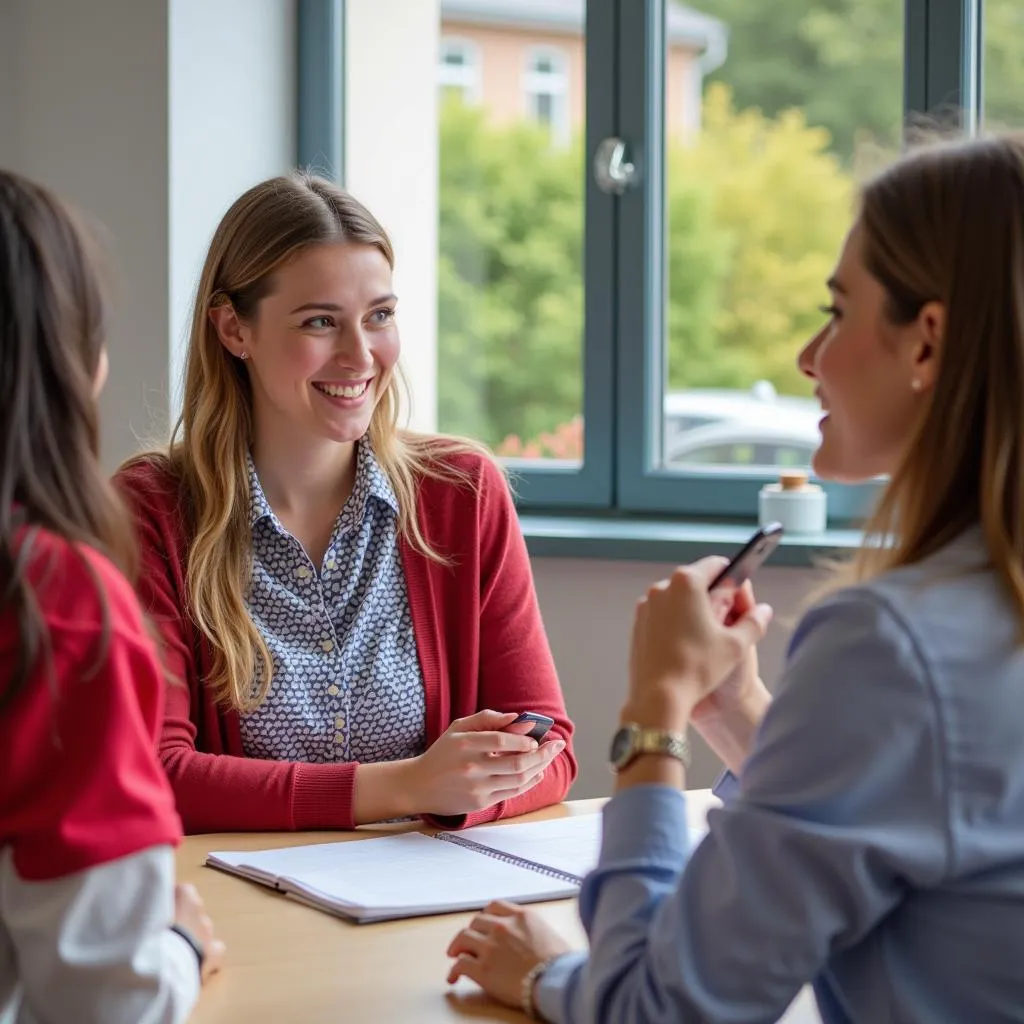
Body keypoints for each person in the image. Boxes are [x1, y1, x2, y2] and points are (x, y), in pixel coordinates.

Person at [446, 132, 1024, 1022]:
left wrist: (655, 713)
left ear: (928, 344)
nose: (807, 355)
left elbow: (665, 1012)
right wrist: (736, 710)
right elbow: (918, 815)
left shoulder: (894, 644)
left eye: (837, 311)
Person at [114, 173, 576, 834]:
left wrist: (467, 788)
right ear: (233, 329)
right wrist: (408, 785)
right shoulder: (151, 510)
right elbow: (153, 772)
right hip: (239, 913)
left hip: (420, 905)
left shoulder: (463, 490)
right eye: (320, 322)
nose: (361, 356)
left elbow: (552, 748)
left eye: (379, 316)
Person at [0, 171, 224, 1021]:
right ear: (70, 360)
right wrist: (179, 945)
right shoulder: (52, 597)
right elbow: (105, 1005)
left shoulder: (463, 488)